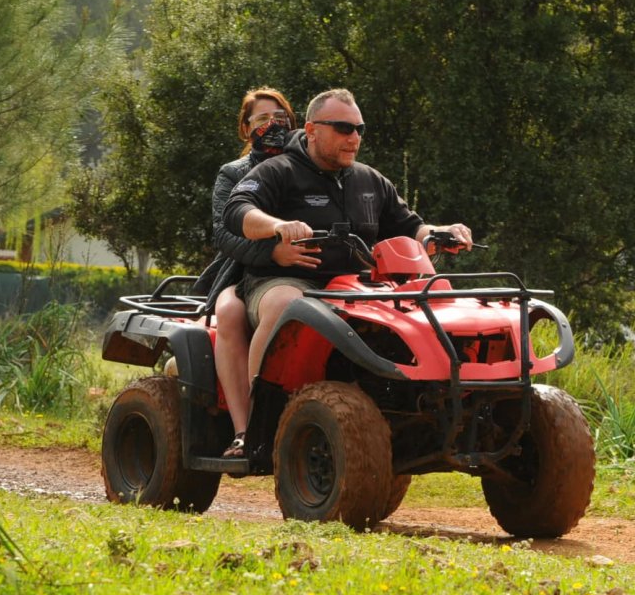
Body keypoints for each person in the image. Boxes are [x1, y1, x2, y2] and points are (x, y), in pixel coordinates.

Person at [223, 87, 473, 381]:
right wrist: (277, 226)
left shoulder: (370, 179)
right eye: (343, 129)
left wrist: (443, 232)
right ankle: (261, 415)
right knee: (286, 305)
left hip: (359, 286)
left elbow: (411, 227)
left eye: (359, 129)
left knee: (434, 300)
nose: (354, 138)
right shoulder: (278, 171)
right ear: (312, 130)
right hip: (287, 280)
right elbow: (237, 210)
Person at [201, 87, 298, 459]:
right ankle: (244, 430)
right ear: (245, 128)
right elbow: (223, 235)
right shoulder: (233, 173)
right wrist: (271, 251)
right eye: (262, 119)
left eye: (280, 119)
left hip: (301, 271)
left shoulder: (305, 165)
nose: (273, 126)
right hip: (242, 271)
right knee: (229, 312)